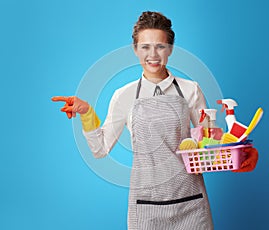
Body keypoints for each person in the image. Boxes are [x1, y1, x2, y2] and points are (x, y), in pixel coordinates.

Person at [52, 11, 258, 230]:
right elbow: (100, 149)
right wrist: (87, 114)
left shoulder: (190, 90)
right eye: (145, 47)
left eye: (160, 46)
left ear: (170, 49)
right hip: (145, 207)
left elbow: (209, 143)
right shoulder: (124, 95)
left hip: (191, 202)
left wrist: (241, 153)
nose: (153, 54)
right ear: (135, 50)